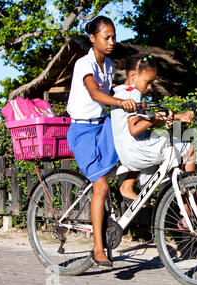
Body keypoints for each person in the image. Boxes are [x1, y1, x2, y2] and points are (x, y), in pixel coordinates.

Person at [111, 54, 197, 231]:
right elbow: (134, 128)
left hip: (132, 147)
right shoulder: (133, 94)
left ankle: (192, 209)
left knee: (175, 146)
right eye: (148, 81)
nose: (150, 87)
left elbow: (145, 120)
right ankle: (194, 209)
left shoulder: (123, 92)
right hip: (136, 148)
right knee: (188, 149)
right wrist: (156, 119)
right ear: (134, 76)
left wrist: (177, 117)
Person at [66, 16, 136, 270]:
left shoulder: (108, 65)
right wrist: (119, 102)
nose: (111, 42)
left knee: (134, 139)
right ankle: (97, 249)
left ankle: (126, 185)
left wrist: (133, 93)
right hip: (82, 132)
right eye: (106, 37)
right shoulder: (83, 64)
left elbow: (115, 92)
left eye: (114, 37)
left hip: (101, 126)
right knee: (101, 187)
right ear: (93, 38)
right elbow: (96, 93)